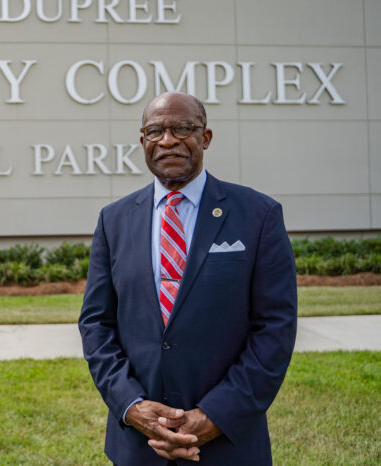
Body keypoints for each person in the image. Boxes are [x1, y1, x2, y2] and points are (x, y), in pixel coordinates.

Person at [78, 92, 297, 465]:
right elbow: (96, 323)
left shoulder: (258, 215)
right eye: (155, 131)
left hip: (227, 443)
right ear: (143, 141)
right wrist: (131, 406)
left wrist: (216, 414)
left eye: (183, 128)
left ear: (205, 138)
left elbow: (274, 326)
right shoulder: (113, 220)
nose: (168, 140)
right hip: (137, 446)